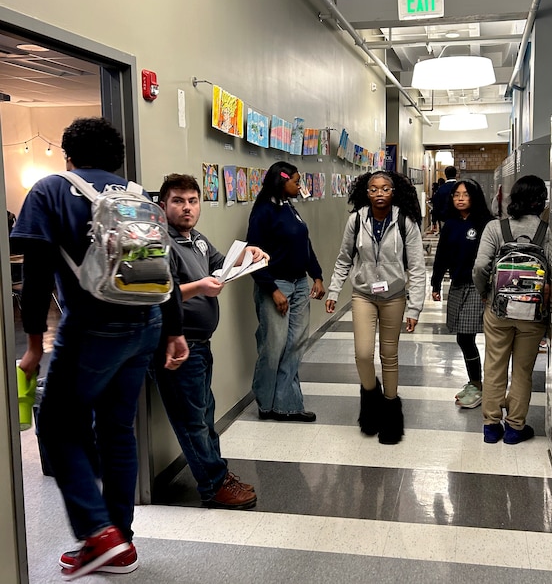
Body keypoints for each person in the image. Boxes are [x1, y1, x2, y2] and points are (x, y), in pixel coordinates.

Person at [11, 117, 189, 579]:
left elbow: (34, 279)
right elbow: (163, 268)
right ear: (118, 157)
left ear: (68, 154)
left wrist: (34, 347)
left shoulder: (51, 191)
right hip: (146, 323)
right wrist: (174, 332)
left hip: (93, 328)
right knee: (116, 430)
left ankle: (98, 533)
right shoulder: (137, 195)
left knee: (56, 426)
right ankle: (120, 545)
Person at [155, 173, 265, 509]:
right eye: (178, 201)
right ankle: (213, 487)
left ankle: (218, 474)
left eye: (192, 201)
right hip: (178, 344)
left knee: (204, 415)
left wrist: (248, 253)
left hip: (201, 344)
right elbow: (160, 292)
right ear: (163, 206)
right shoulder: (159, 243)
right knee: (191, 421)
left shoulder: (196, 240)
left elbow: (220, 263)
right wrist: (200, 288)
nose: (187, 208)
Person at [326, 170, 425, 444]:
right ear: (365, 192)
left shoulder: (406, 222)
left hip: (394, 296)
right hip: (363, 295)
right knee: (362, 354)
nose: (379, 194)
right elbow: (344, 257)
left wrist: (414, 308)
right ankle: (371, 399)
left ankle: (391, 413)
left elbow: (416, 267)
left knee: (389, 355)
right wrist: (334, 290)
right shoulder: (356, 220)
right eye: (373, 189)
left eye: (384, 189)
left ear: (394, 192)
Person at [472, 175, 549, 445]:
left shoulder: (496, 228)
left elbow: (480, 266)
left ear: (512, 198)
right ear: (542, 200)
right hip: (532, 315)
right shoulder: (548, 231)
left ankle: (491, 426)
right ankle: (515, 427)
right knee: (522, 370)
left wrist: (486, 294)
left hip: (498, 310)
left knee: (494, 367)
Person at [246, 161, 326, 422]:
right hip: (276, 285)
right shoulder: (263, 212)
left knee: (295, 344)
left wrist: (317, 275)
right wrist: (272, 290)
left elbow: (305, 244)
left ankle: (287, 405)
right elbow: (253, 257)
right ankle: (266, 401)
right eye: (296, 181)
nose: (299, 185)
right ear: (282, 181)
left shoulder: (290, 207)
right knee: (273, 346)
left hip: (300, 284)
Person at [431, 178, 494, 409]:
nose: (459, 198)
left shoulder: (487, 223)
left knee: (467, 336)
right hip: (458, 285)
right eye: (456, 194)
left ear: (474, 197)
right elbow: (442, 256)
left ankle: (478, 385)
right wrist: (436, 284)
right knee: (463, 336)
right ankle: (476, 383)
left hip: (480, 287)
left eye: (465, 194)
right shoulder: (450, 224)